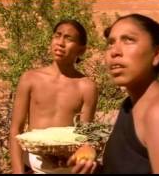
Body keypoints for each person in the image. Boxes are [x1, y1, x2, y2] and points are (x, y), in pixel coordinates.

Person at [67, 13, 159, 174]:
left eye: (129, 40)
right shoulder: (130, 105)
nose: (115, 51)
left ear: (156, 54)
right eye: (111, 43)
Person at [9, 20, 98, 174]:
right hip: (33, 162)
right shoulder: (30, 78)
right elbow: (16, 128)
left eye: (69, 39)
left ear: (81, 50)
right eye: (58, 36)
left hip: (67, 166)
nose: (61, 43)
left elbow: (85, 136)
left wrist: (83, 157)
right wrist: (18, 171)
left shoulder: (86, 87)